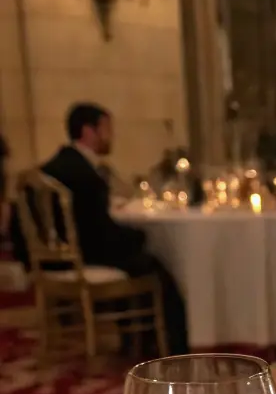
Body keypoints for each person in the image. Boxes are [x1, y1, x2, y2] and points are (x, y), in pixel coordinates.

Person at [25, 104, 188, 353]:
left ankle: (134, 342)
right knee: (158, 268)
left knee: (136, 257)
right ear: (88, 132)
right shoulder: (85, 175)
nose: (111, 136)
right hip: (86, 256)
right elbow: (99, 233)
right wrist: (140, 236)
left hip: (55, 261)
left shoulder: (52, 168)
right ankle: (173, 348)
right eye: (106, 129)